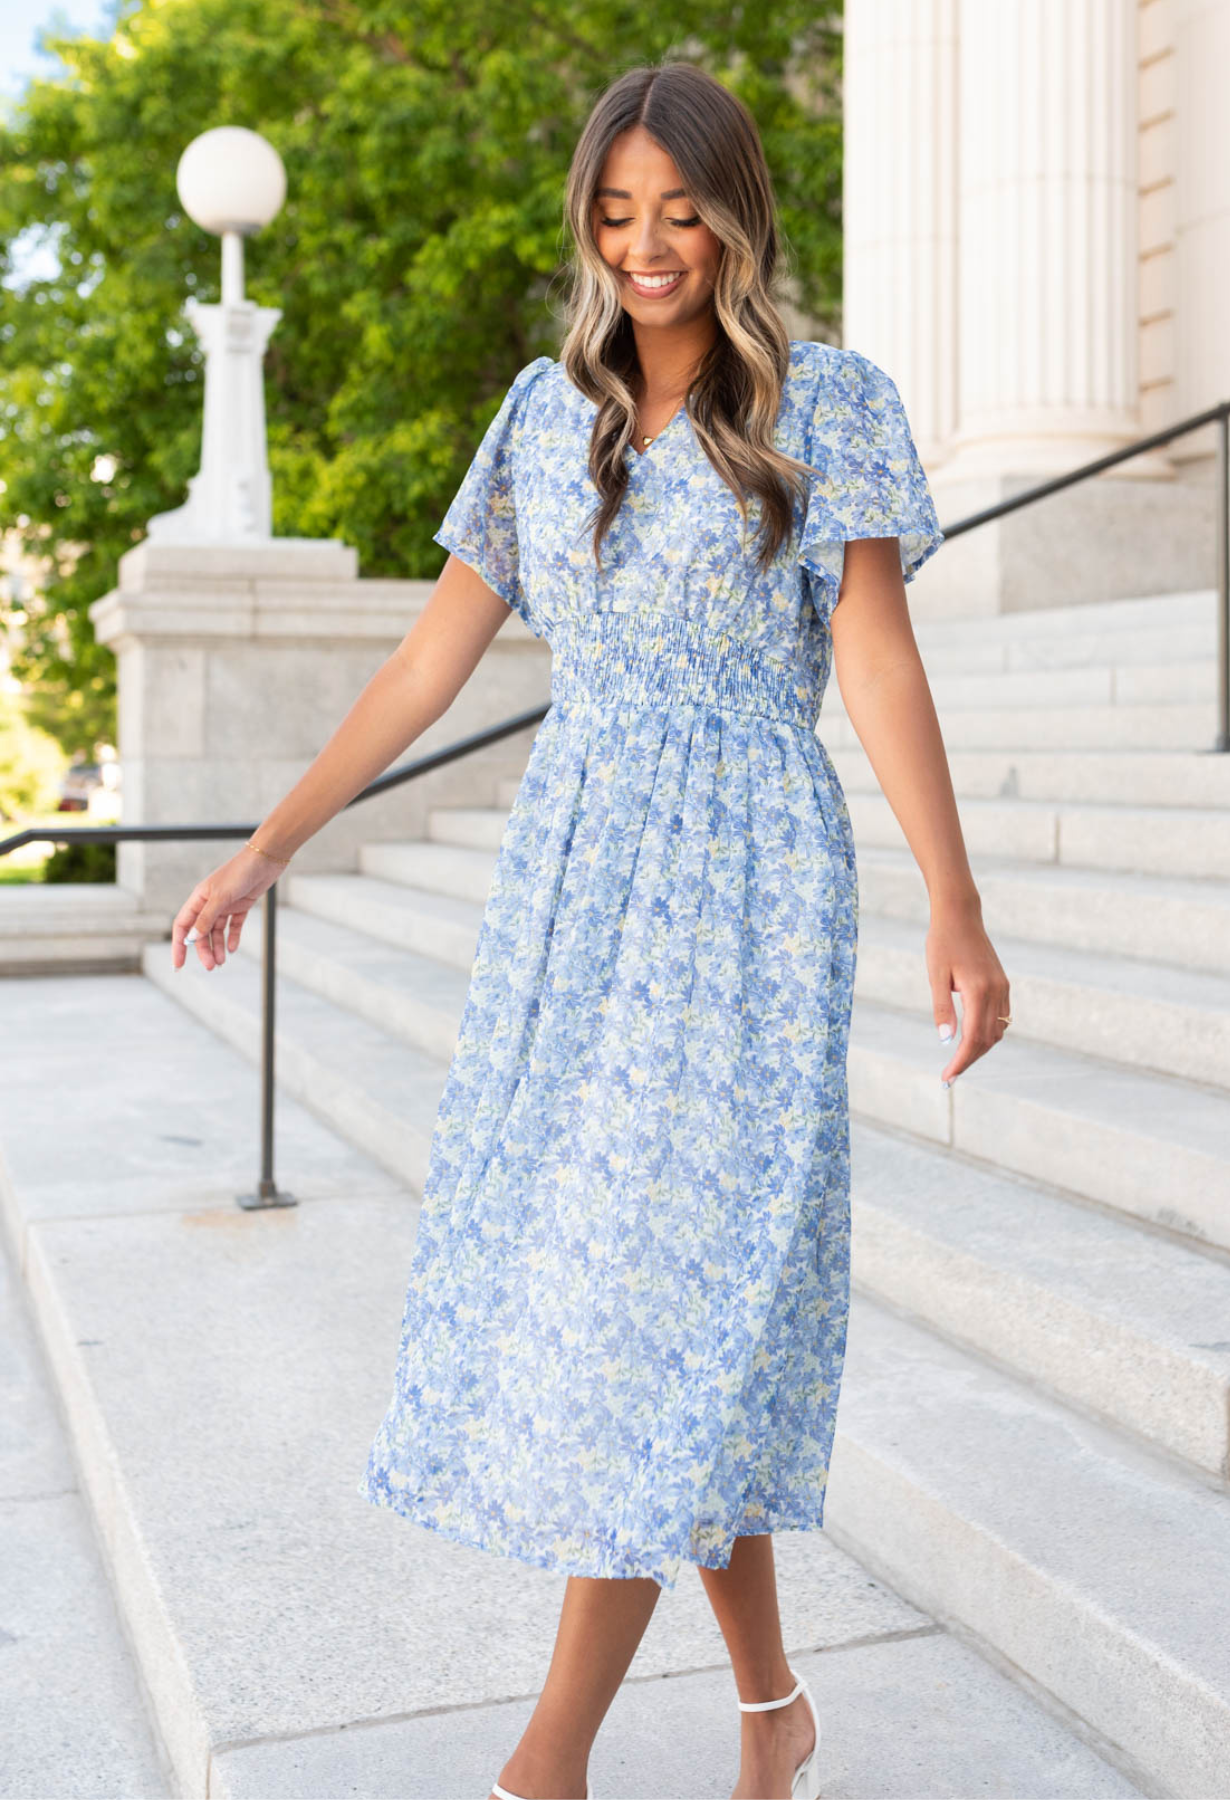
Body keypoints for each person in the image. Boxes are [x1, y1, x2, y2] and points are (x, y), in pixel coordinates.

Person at [171, 58, 1011, 1800]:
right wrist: (265, 848)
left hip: (744, 896)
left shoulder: (826, 401)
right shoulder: (538, 419)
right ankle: (772, 1712)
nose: (646, 246)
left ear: (733, 217)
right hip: (572, 898)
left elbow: (872, 658)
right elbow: (425, 662)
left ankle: (539, 1769)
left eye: (679, 211)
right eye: (616, 213)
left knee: (652, 1311)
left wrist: (955, 899)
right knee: (650, 1314)